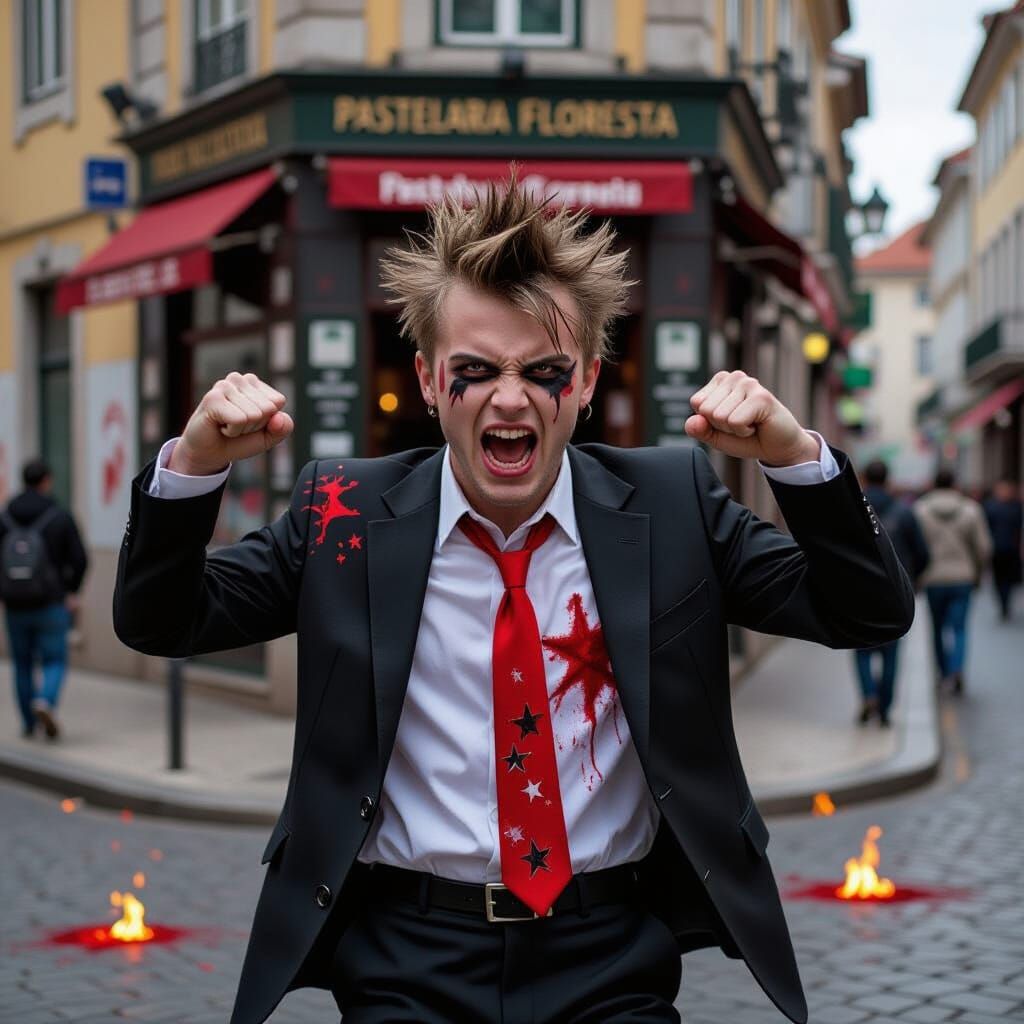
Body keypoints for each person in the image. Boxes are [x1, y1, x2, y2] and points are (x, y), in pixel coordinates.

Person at [112, 182, 913, 1024]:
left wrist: (795, 457)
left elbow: (867, 611)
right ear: (428, 380)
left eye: (544, 371)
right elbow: (161, 620)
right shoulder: (342, 514)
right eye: (474, 370)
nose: (508, 397)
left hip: (607, 951)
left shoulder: (672, 504)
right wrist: (193, 467)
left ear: (588, 380)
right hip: (407, 957)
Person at [1, 458, 88, 739]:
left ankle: (28, 723)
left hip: (14, 605)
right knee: (54, 659)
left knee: (22, 664)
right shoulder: (59, 516)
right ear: (46, 481)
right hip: (51, 602)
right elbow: (80, 558)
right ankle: (45, 700)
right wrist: (72, 590)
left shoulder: (5, 517)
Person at [853, 460, 930, 727]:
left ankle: (868, 695)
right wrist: (912, 581)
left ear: (864, 478)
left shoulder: (851, 509)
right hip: (893, 593)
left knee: (862, 649)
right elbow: (922, 553)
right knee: (890, 653)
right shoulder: (903, 511)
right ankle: (884, 707)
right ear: (887, 480)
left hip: (859, 591)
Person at [915, 468, 992, 694]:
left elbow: (916, 548)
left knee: (937, 628)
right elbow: (984, 548)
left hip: (933, 578)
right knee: (959, 628)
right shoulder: (971, 510)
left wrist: (918, 576)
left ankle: (944, 671)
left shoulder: (920, 510)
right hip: (962, 577)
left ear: (934, 484)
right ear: (955, 484)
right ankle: (957, 669)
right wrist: (977, 573)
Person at [982, 479, 1022, 620]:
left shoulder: (1016, 507)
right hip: (996, 549)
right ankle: (1003, 604)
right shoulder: (990, 507)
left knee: (1009, 580)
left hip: (1011, 549)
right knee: (999, 579)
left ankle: (1006, 603)